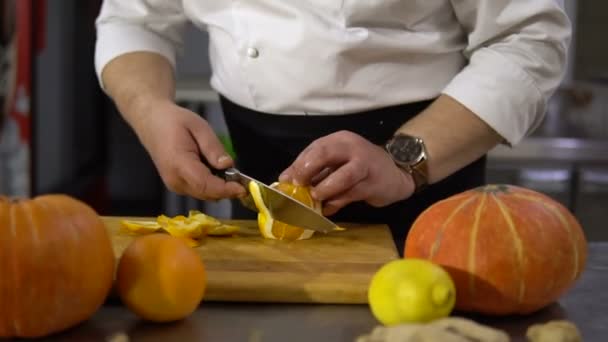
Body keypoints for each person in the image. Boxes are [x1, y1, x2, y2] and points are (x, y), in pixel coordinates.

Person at [94, 1, 571, 249]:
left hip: (427, 189)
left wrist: (402, 161)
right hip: (261, 188)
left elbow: (528, 39)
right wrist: (150, 109)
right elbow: (136, 19)